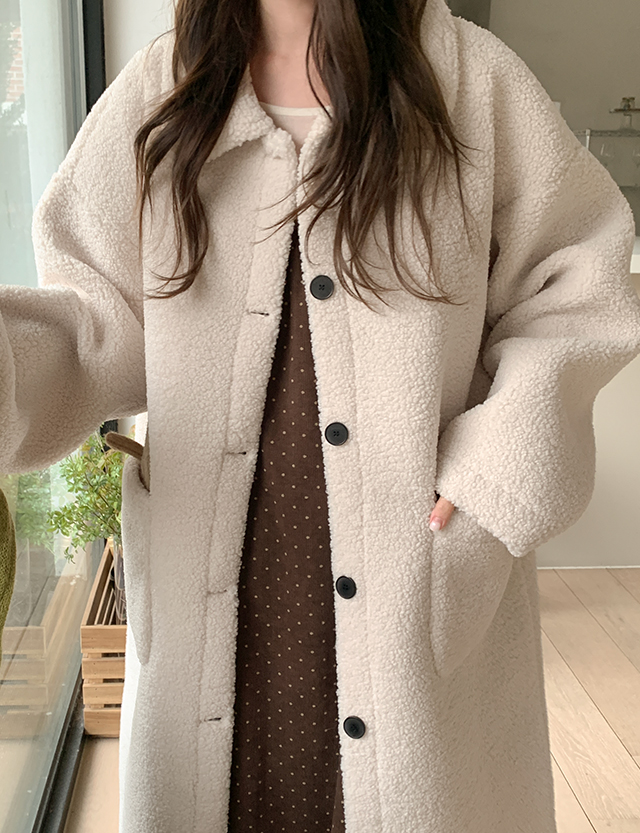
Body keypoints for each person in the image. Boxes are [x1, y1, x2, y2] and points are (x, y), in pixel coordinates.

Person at [1, 0, 640, 830]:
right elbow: (97, 323)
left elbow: (581, 288)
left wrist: (492, 479)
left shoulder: (470, 82)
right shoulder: (164, 89)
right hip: (219, 592)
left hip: (416, 575)